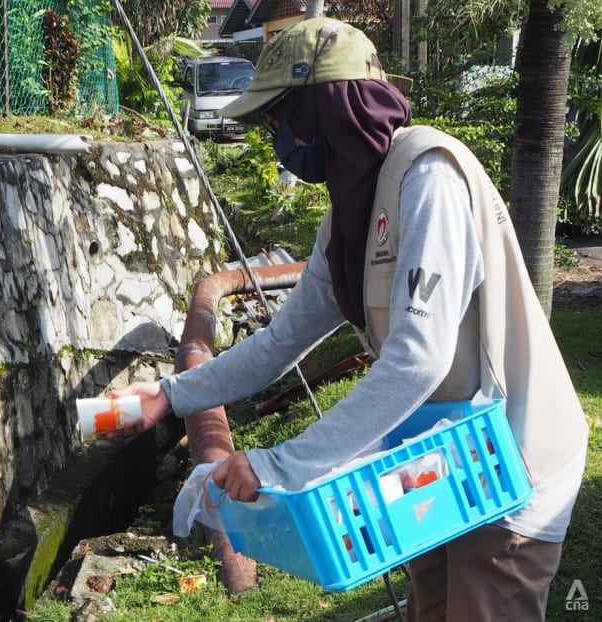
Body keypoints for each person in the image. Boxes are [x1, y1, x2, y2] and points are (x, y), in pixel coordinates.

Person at [111, 17, 589, 621]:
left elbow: (419, 358)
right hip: (443, 463)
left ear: (326, 106)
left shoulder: (430, 177)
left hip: (512, 460)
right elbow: (283, 339)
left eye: (279, 117)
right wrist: (170, 394)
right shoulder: (350, 216)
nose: (275, 137)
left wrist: (277, 464)